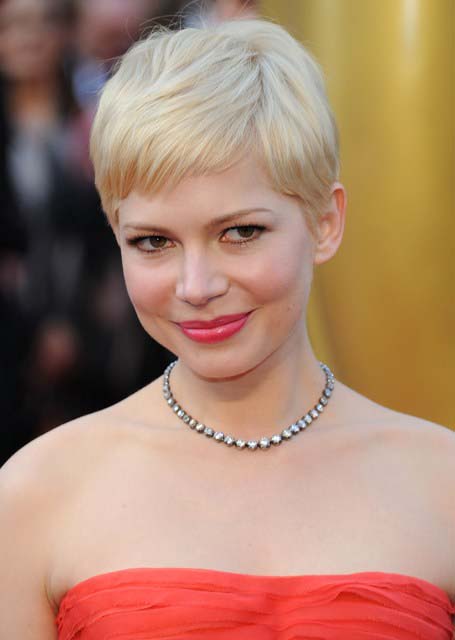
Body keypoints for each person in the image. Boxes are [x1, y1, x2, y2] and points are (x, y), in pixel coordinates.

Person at [1, 17, 454, 639]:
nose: (196, 286)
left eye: (240, 232)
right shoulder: (36, 492)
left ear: (325, 223)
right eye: (154, 241)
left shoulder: (441, 482)